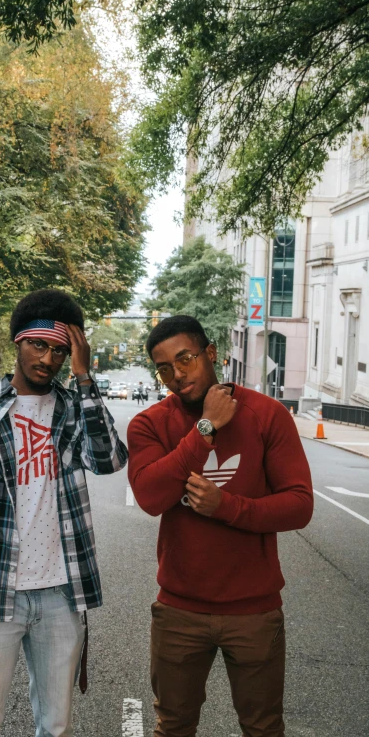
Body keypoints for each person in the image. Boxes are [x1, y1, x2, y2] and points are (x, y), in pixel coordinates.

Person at [0, 289, 128, 737]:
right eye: (38, 345)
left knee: (56, 725)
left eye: (61, 350)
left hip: (61, 596)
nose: (48, 358)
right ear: (18, 342)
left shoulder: (73, 410)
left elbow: (108, 460)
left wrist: (85, 379)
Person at [127, 315, 313, 737]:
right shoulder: (149, 424)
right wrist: (205, 428)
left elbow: (299, 506)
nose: (177, 375)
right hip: (179, 609)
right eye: (164, 368)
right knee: (172, 726)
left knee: (263, 728)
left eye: (186, 359)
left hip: (254, 610)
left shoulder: (267, 414)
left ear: (211, 354)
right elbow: (151, 497)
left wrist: (225, 507)